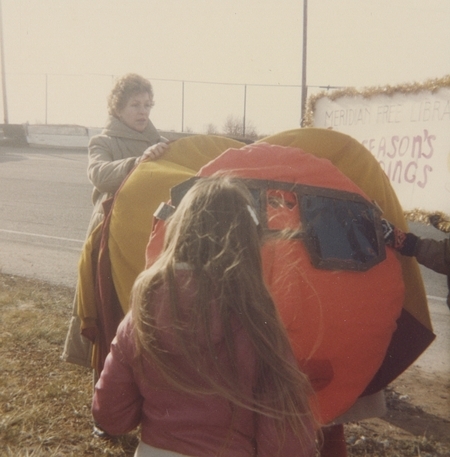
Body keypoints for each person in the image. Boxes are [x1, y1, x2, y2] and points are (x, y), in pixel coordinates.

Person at [92, 176, 319, 457]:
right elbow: (285, 439)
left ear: (180, 229)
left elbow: (111, 415)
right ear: (248, 241)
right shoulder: (257, 320)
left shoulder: (143, 311)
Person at [62, 73, 168, 368]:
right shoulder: (102, 141)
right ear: (118, 109)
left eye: (148, 104)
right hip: (109, 235)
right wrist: (138, 162)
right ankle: (105, 397)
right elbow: (99, 173)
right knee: (109, 311)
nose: (143, 111)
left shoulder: (161, 144)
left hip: (148, 236)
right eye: (135, 104)